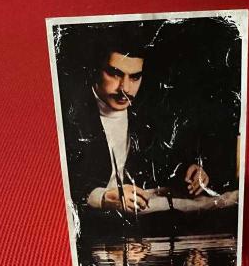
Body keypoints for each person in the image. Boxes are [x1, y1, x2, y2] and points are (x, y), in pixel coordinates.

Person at [61, 33, 211, 217]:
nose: (125, 88)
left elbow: (161, 162)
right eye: (115, 73)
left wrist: (188, 173)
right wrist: (101, 198)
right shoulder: (68, 112)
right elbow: (61, 182)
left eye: (134, 77)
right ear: (95, 71)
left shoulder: (145, 112)